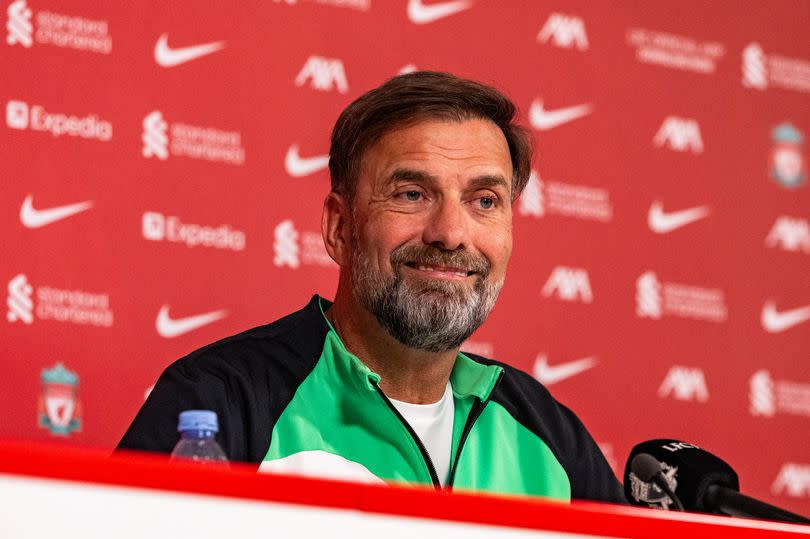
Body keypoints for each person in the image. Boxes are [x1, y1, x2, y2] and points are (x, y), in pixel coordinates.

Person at [118, 71, 625, 503]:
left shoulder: (548, 433)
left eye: (485, 201)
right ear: (340, 228)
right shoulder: (220, 400)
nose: (450, 233)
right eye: (411, 193)